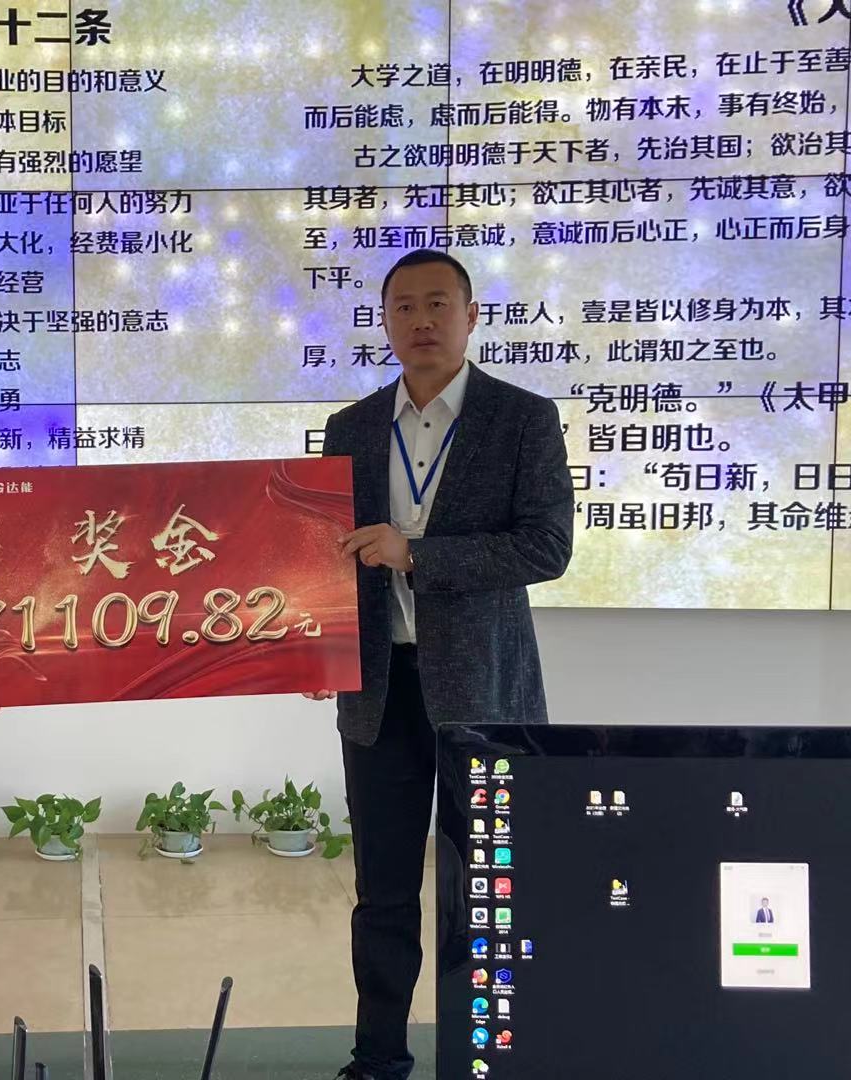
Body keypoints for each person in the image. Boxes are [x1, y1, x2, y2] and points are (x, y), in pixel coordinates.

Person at [306, 249, 574, 1080]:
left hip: (484, 690)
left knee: (489, 887)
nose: (421, 321)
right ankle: (377, 1057)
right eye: (404, 307)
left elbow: (547, 547)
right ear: (385, 320)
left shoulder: (523, 418)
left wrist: (417, 553)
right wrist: (311, 640)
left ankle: (491, 1053)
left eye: (438, 304)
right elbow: (325, 558)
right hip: (378, 690)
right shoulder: (351, 428)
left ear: (471, 315)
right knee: (383, 892)